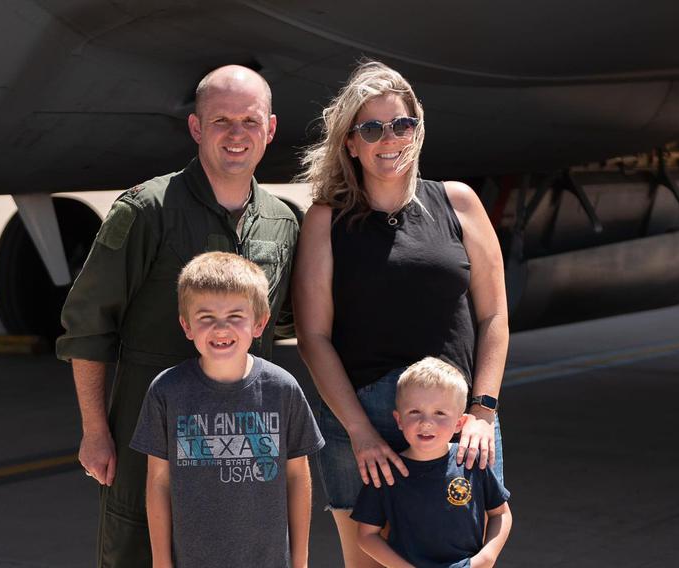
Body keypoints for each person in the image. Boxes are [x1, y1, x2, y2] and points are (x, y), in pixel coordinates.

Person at [56, 65, 299, 567]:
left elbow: (288, 324)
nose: (237, 134)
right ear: (196, 127)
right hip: (151, 429)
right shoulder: (148, 209)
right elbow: (88, 327)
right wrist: (95, 430)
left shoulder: (282, 222)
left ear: (270, 129)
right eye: (221, 121)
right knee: (139, 547)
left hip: (245, 441)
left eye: (250, 121)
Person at [294, 60, 509, 567]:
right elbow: (313, 337)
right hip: (362, 420)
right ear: (350, 142)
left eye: (402, 124)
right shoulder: (326, 221)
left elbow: (494, 317)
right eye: (371, 128)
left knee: (465, 558)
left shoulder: (460, 203)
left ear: (418, 128)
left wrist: (481, 412)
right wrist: (359, 432)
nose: (389, 138)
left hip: (456, 421)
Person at [130, 252, 324, 568]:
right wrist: (161, 562)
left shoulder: (282, 389)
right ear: (186, 325)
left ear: (260, 323)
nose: (221, 328)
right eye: (206, 317)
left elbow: (297, 477)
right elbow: (159, 481)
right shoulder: (166, 391)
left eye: (236, 316)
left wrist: (300, 561)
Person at [351, 357, 512, 568]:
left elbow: (501, 514)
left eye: (440, 413)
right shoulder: (386, 472)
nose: (426, 422)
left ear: (459, 423)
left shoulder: (471, 462)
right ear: (399, 420)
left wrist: (486, 558)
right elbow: (366, 535)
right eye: (415, 412)